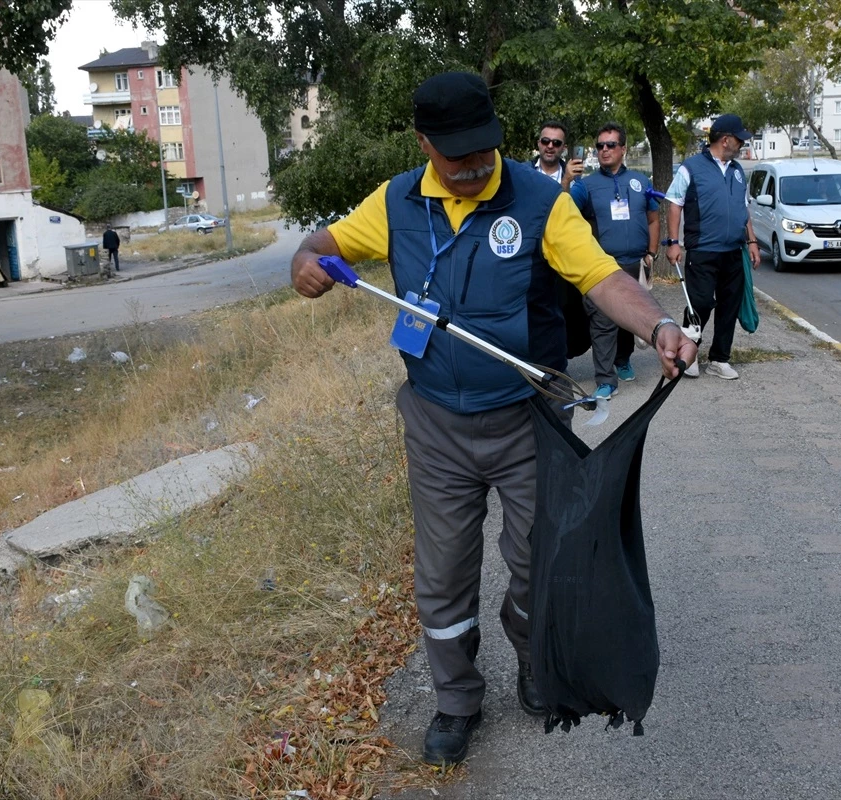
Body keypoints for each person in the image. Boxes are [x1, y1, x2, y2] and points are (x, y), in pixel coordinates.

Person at [290, 71, 696, 767]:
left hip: (528, 417)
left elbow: (602, 277)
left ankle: (536, 661)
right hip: (437, 423)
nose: (479, 168)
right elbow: (319, 246)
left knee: (539, 564)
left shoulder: (541, 200)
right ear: (424, 144)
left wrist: (658, 324)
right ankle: (457, 700)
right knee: (443, 577)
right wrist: (306, 263)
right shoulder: (394, 203)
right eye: (460, 158)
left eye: (487, 151)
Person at [664, 114, 762, 380]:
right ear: (726, 139)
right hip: (703, 250)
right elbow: (674, 204)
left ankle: (720, 358)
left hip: (734, 251)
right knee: (700, 303)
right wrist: (673, 242)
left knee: (729, 305)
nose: (742, 144)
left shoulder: (737, 170)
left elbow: (743, 209)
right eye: (739, 139)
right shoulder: (691, 167)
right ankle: (689, 353)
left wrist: (751, 241)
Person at [569, 122, 660, 398]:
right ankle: (605, 380)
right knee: (603, 321)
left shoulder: (641, 181)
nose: (604, 150)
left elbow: (654, 218)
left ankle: (623, 359)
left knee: (629, 317)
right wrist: (566, 181)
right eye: (600, 145)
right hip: (603, 267)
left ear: (623, 149)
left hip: (635, 262)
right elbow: (564, 211)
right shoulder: (586, 186)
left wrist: (651, 253)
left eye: (610, 145)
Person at [530, 120, 583, 190]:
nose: (550, 146)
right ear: (538, 143)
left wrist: (566, 180)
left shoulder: (574, 179)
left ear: (564, 148)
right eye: (545, 141)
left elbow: (569, 201)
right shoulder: (523, 171)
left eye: (556, 142)